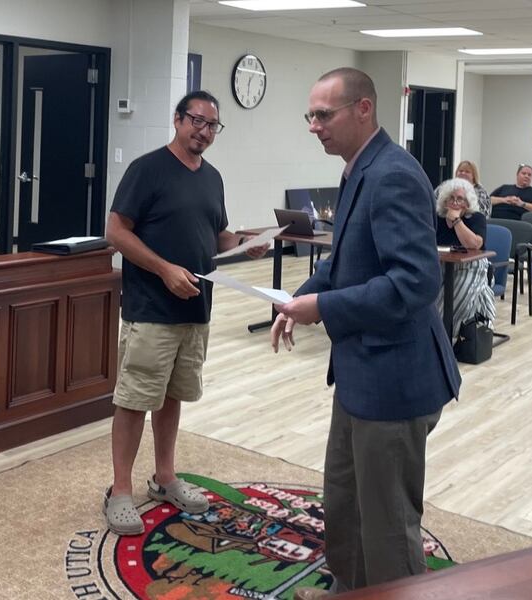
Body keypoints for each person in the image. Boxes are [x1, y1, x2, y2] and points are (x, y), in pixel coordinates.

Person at [270, 68, 461, 598]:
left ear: (363, 110)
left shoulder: (392, 174)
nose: (314, 126)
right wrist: (299, 298)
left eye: (323, 115)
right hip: (361, 370)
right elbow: (346, 261)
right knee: (346, 499)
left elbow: (413, 285)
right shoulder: (359, 168)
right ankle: (349, 588)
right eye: (310, 115)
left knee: (387, 522)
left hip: (395, 379)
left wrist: (324, 307)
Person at [103, 90, 267, 535]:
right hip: (152, 309)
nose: (204, 131)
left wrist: (245, 245)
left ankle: (165, 477)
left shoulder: (212, 177)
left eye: (212, 125)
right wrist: (163, 269)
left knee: (173, 396)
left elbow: (216, 235)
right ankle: (119, 490)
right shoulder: (148, 169)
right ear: (177, 120)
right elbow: (116, 231)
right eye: (197, 121)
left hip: (197, 307)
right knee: (136, 398)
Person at [435, 177, 495, 342]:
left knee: (449, 301)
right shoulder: (437, 218)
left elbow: (474, 245)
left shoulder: (476, 218)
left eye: (460, 199)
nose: (455, 202)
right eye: (451, 198)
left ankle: (444, 340)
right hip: (440, 265)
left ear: (467, 203)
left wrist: (456, 221)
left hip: (472, 267)